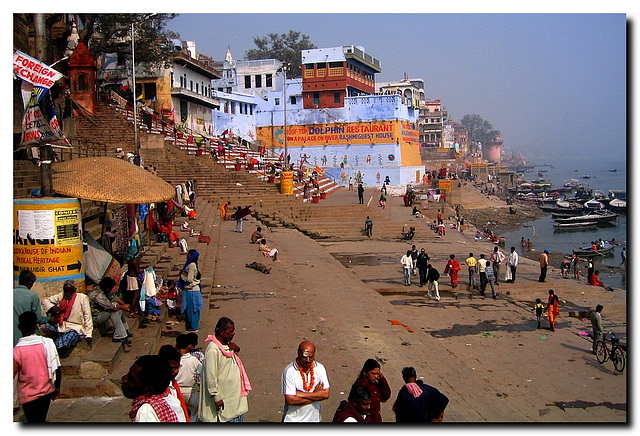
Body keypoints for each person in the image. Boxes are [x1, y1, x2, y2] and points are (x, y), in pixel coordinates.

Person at [199, 317, 251, 422]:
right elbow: (211, 376)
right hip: (224, 404)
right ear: (222, 332)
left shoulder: (226, 346)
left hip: (234, 401)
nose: (233, 333)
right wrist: (216, 397)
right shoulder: (213, 350)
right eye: (230, 331)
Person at [13, 311, 62, 422]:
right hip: (46, 392)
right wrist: (57, 388)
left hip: (28, 395)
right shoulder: (48, 343)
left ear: (19, 327)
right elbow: (58, 368)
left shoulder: (16, 351)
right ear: (36, 326)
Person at [121, 355, 187, 422]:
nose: (124, 379)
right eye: (128, 373)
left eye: (132, 379)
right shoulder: (171, 400)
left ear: (148, 390)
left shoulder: (145, 412)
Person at [281, 340, 330, 422]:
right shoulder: (290, 371)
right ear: (298, 354)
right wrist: (316, 396)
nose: (308, 360)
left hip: (314, 420)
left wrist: (300, 394)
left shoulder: (320, 368)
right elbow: (290, 400)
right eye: (304, 357)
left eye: (310, 357)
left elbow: (326, 394)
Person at [41, 280, 93, 357]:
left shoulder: (82, 298)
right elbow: (45, 301)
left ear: (74, 290)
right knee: (47, 321)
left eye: (70, 291)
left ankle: (54, 352)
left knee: (67, 339)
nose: (67, 293)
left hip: (76, 328)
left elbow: (87, 315)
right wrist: (53, 308)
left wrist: (89, 334)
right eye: (66, 291)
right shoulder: (61, 296)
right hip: (62, 324)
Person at [88, 277, 132, 344]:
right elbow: (109, 306)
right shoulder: (97, 294)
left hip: (102, 312)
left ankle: (125, 330)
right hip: (95, 317)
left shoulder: (104, 290)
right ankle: (119, 335)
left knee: (117, 306)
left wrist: (124, 304)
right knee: (113, 310)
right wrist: (122, 307)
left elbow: (114, 298)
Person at [13, 270, 49, 347]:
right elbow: (38, 319)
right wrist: (49, 319)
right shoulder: (33, 296)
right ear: (30, 283)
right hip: (25, 339)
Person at [157, 345, 191, 421]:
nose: (176, 371)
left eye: (177, 367)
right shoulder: (158, 391)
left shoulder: (173, 384)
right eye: (172, 368)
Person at [175, 334, 202, 420]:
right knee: (194, 415)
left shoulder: (174, 360)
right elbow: (202, 373)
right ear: (188, 346)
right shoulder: (193, 360)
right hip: (190, 391)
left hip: (177, 391)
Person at [178, 249, 203, 333]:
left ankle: (193, 327)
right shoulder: (193, 264)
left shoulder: (191, 265)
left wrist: (181, 276)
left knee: (192, 310)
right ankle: (192, 325)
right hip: (191, 290)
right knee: (192, 309)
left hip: (191, 290)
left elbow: (189, 279)